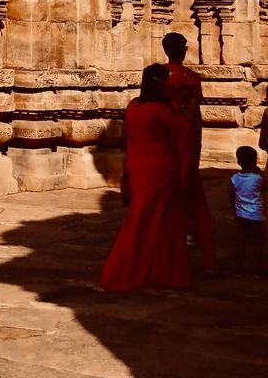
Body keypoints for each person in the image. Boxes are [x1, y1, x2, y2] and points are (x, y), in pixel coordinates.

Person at [101, 63, 192, 292]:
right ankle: (157, 271)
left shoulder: (133, 107)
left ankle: (147, 270)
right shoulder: (161, 110)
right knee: (160, 223)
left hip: (138, 170)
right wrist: (174, 97)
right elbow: (184, 127)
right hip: (161, 170)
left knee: (142, 220)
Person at [161, 31, 217, 274]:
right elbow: (194, 114)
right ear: (183, 50)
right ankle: (193, 236)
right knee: (190, 191)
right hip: (185, 137)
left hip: (164, 140)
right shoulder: (191, 78)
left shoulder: (159, 76)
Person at [229, 145, 266, 275]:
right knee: (257, 243)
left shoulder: (234, 179)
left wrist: (235, 212)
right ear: (255, 161)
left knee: (241, 241)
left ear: (238, 161)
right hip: (256, 215)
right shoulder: (258, 179)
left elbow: (231, 197)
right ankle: (258, 270)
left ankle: (238, 268)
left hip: (241, 215)